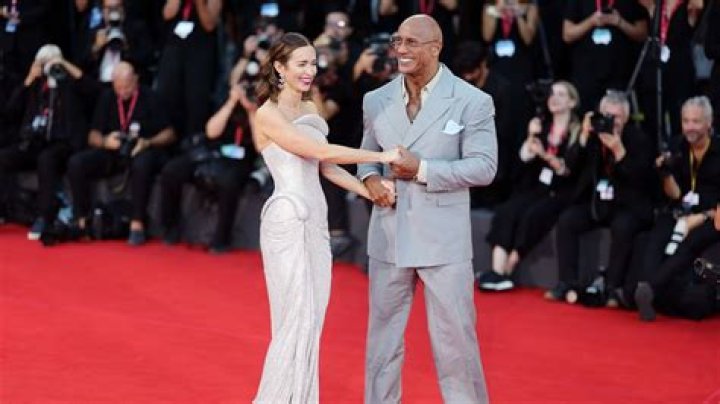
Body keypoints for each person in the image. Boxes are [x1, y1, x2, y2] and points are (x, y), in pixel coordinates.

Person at [251, 32, 398, 404]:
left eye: (313, 63)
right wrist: (380, 157)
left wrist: (369, 192)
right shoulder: (267, 113)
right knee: (293, 320)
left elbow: (326, 167)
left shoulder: (311, 109)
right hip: (288, 219)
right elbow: (318, 150)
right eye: (301, 64)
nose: (309, 71)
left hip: (316, 221)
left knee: (313, 319)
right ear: (280, 67)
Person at [358, 15, 497, 404]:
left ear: (436, 47)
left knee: (456, 347)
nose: (400, 49)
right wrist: (370, 180)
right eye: (397, 41)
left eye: (411, 42)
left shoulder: (472, 100)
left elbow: (485, 167)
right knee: (382, 344)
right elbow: (367, 158)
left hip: (443, 242)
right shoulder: (376, 99)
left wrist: (422, 170)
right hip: (388, 236)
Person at [547, 90, 657, 306]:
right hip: (597, 203)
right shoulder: (594, 136)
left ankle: (612, 288)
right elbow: (570, 166)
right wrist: (583, 136)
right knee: (568, 220)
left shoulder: (639, 139)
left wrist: (619, 152)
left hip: (628, 205)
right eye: (606, 115)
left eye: (616, 117)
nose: (610, 121)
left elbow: (642, 181)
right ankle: (567, 283)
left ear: (626, 117)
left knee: (623, 226)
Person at [480, 81, 581, 291]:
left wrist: (544, 154)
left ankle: (507, 269)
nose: (554, 98)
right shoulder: (541, 125)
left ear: (572, 102)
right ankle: (497, 271)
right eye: (552, 93)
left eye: (561, 94)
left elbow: (568, 169)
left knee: (532, 215)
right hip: (536, 188)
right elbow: (524, 158)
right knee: (507, 211)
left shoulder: (578, 132)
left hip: (560, 192)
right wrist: (530, 136)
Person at [630, 96, 720, 321]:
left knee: (692, 240)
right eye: (685, 121)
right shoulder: (677, 146)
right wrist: (665, 174)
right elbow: (676, 194)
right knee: (657, 236)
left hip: (713, 216)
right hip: (680, 211)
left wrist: (703, 216)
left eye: (696, 121)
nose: (690, 127)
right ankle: (644, 290)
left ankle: (650, 289)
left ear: (709, 122)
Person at [67, 61, 175, 245]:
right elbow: (92, 135)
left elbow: (170, 134)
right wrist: (105, 141)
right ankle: (82, 219)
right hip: (113, 151)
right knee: (76, 162)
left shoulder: (151, 97)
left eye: (127, 87)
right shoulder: (107, 97)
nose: (123, 91)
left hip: (142, 148)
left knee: (143, 163)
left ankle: (137, 223)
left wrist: (148, 142)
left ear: (135, 80)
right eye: (119, 88)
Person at [158, 69, 257, 254]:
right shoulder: (226, 101)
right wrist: (231, 102)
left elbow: (261, 147)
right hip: (213, 153)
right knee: (172, 170)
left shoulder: (265, 108)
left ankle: (221, 239)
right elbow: (211, 132)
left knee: (229, 181)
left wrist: (252, 111)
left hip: (242, 160)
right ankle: (169, 228)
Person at [0, 45, 93, 239]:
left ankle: (44, 216)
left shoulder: (70, 83)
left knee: (46, 159)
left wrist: (64, 65)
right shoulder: (35, 85)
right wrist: (28, 79)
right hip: (35, 139)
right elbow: (11, 110)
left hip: (63, 141)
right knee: (4, 157)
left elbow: (93, 89)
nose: (48, 67)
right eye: (44, 63)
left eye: (51, 62)